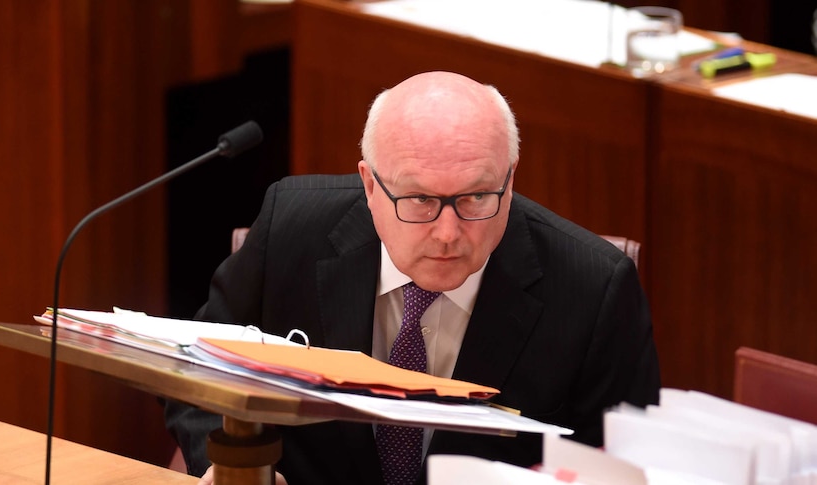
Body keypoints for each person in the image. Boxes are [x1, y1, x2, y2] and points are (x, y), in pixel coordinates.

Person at [164, 71, 660, 485]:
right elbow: (197, 375)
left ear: (511, 179)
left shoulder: (593, 288)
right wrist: (227, 469)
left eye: (475, 198)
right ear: (369, 185)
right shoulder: (293, 228)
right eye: (419, 199)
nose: (448, 234)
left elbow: (618, 465)